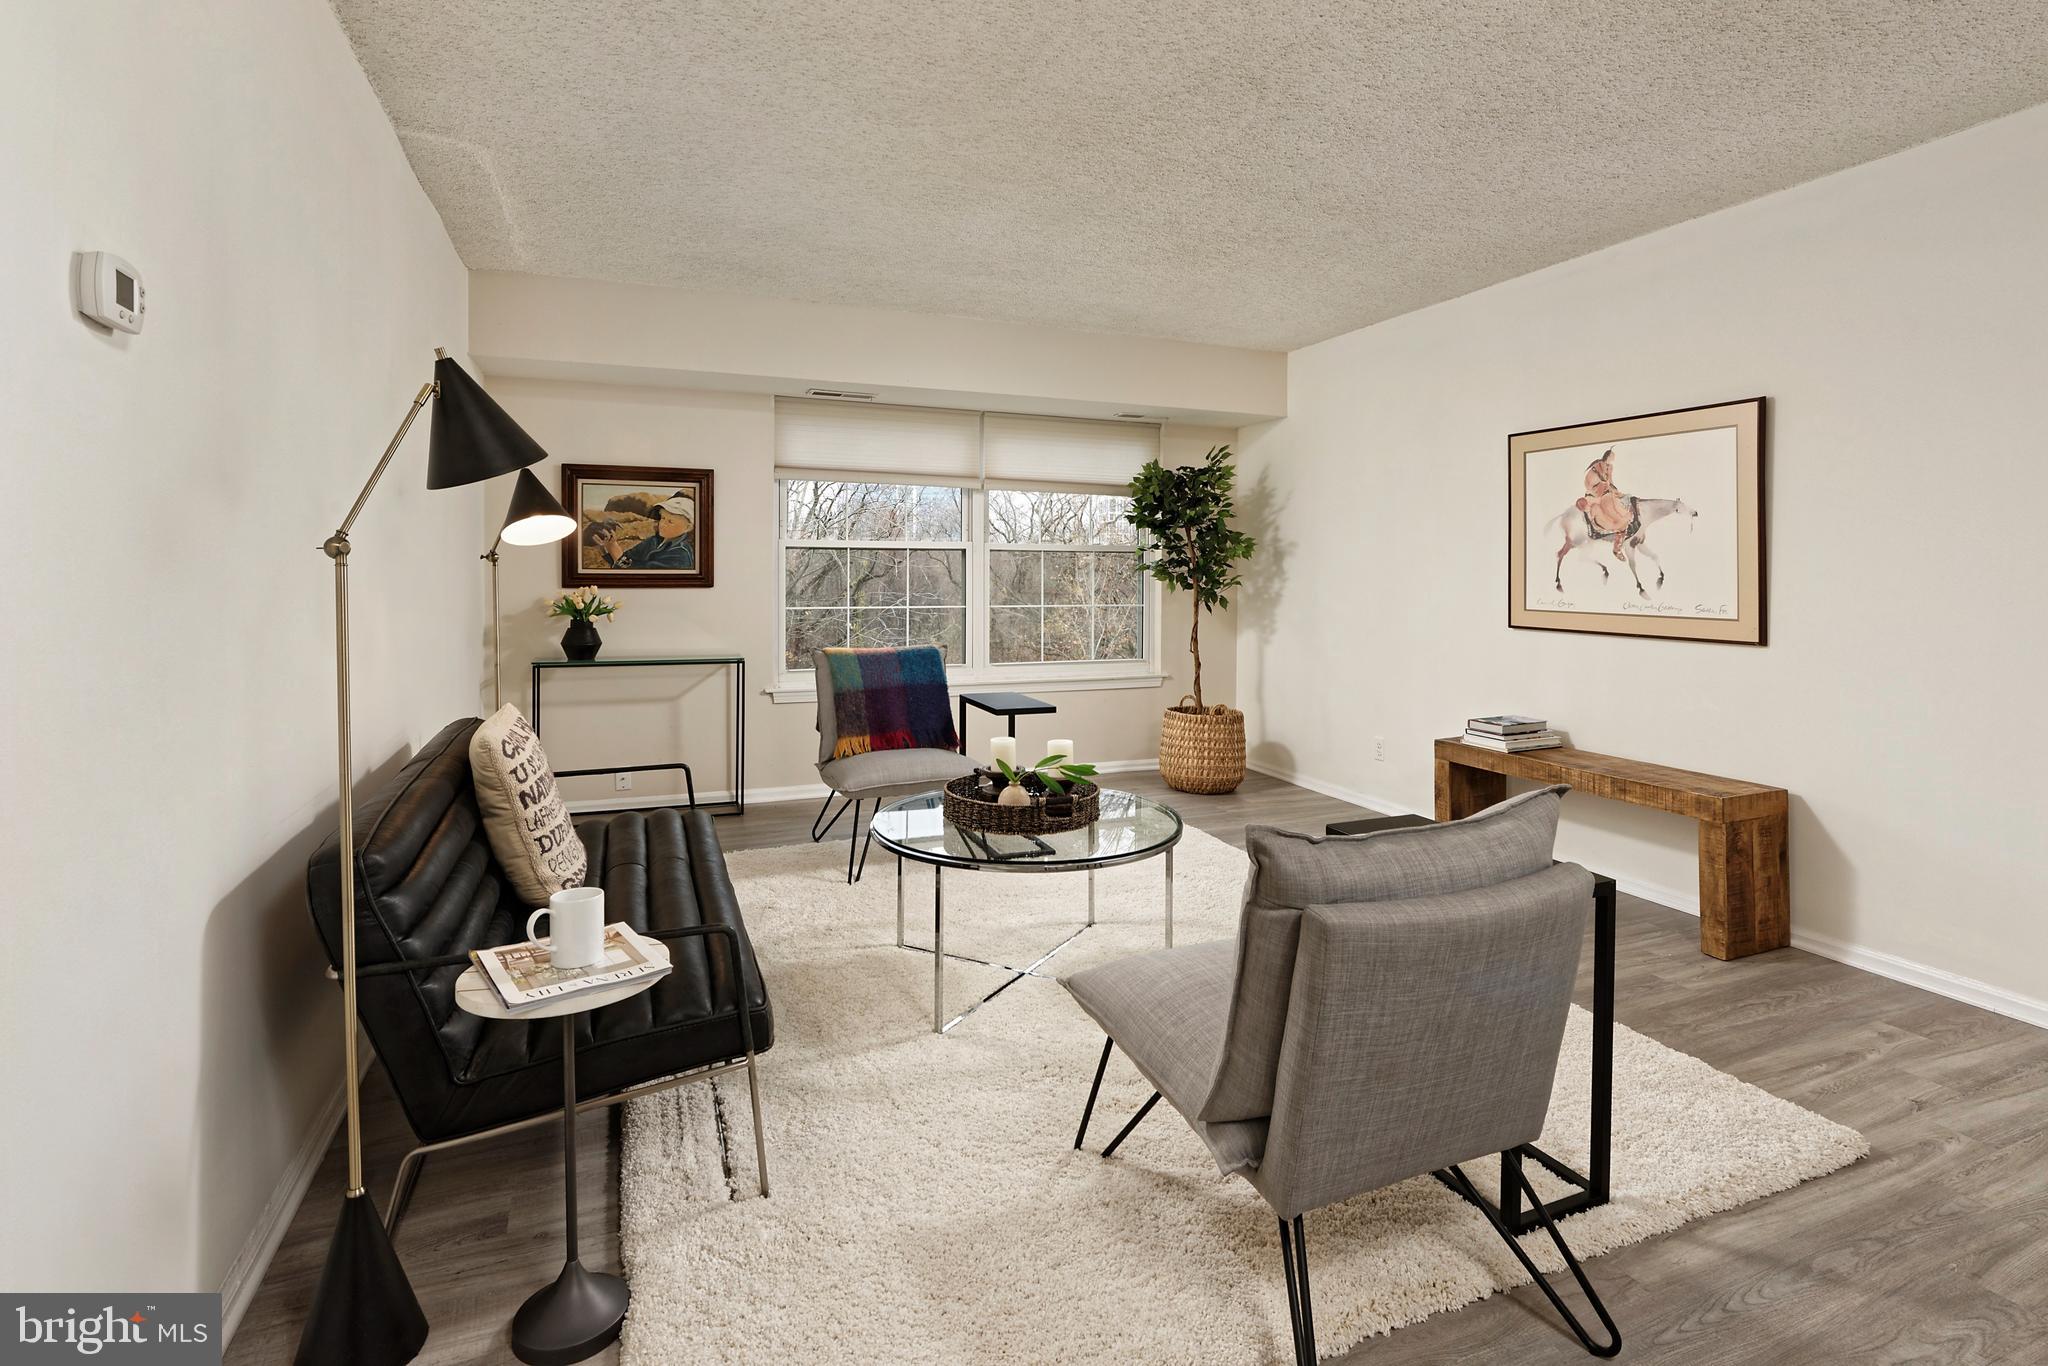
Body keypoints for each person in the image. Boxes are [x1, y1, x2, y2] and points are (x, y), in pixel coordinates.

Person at [611, 493, 696, 570]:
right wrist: (610, 548)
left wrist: (617, 556)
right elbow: (629, 556)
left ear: (688, 527)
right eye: (663, 518)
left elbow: (642, 573)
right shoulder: (654, 541)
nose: (662, 524)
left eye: (670, 521)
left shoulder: (681, 554)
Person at [1576, 449, 1633, 560]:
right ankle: (1617, 548)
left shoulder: (1609, 467)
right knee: (1613, 516)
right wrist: (1599, 493)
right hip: (1595, 497)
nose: (1613, 459)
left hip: (1606, 493)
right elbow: (1590, 485)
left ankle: (1625, 524)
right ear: (1607, 456)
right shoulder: (1596, 467)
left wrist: (1615, 491)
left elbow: (1610, 482)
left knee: (1618, 504)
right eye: (1612, 457)